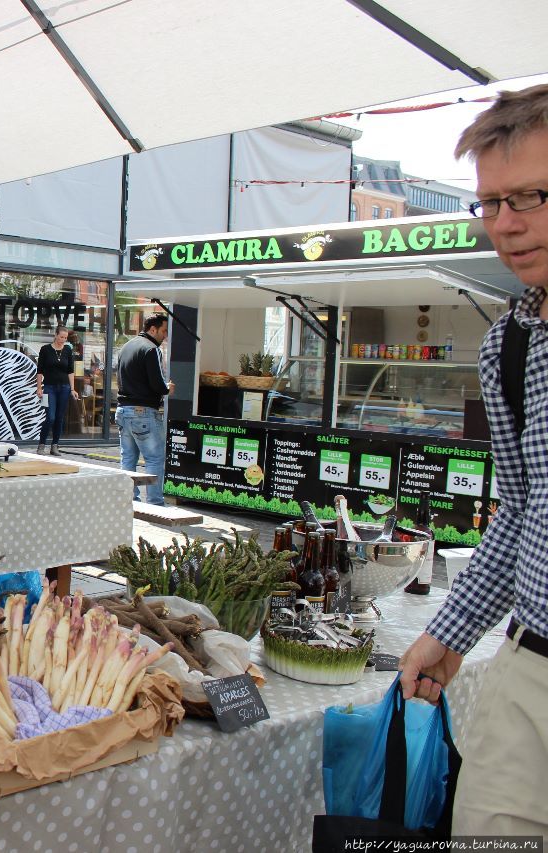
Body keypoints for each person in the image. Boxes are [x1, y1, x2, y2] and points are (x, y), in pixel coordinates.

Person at [397, 83, 548, 839]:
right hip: (528, 666)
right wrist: (450, 633)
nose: (505, 225)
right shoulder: (509, 347)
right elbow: (520, 509)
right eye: (489, 203)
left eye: (529, 197)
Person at [115, 314, 173, 505]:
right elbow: (157, 384)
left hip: (123, 410)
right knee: (154, 459)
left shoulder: (126, 347)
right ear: (153, 329)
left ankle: (128, 500)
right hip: (143, 412)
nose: (165, 336)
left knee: (128, 458)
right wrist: (167, 388)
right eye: (164, 331)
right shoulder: (151, 349)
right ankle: (155, 503)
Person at [35, 325, 78, 454]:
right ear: (55, 335)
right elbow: (40, 370)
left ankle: (55, 445)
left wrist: (73, 389)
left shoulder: (68, 350)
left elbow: (70, 371)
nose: (63, 340)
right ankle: (41, 444)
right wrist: (39, 388)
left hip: (64, 388)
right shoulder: (45, 350)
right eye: (61, 337)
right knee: (50, 417)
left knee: (60, 417)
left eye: (65, 337)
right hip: (49, 388)